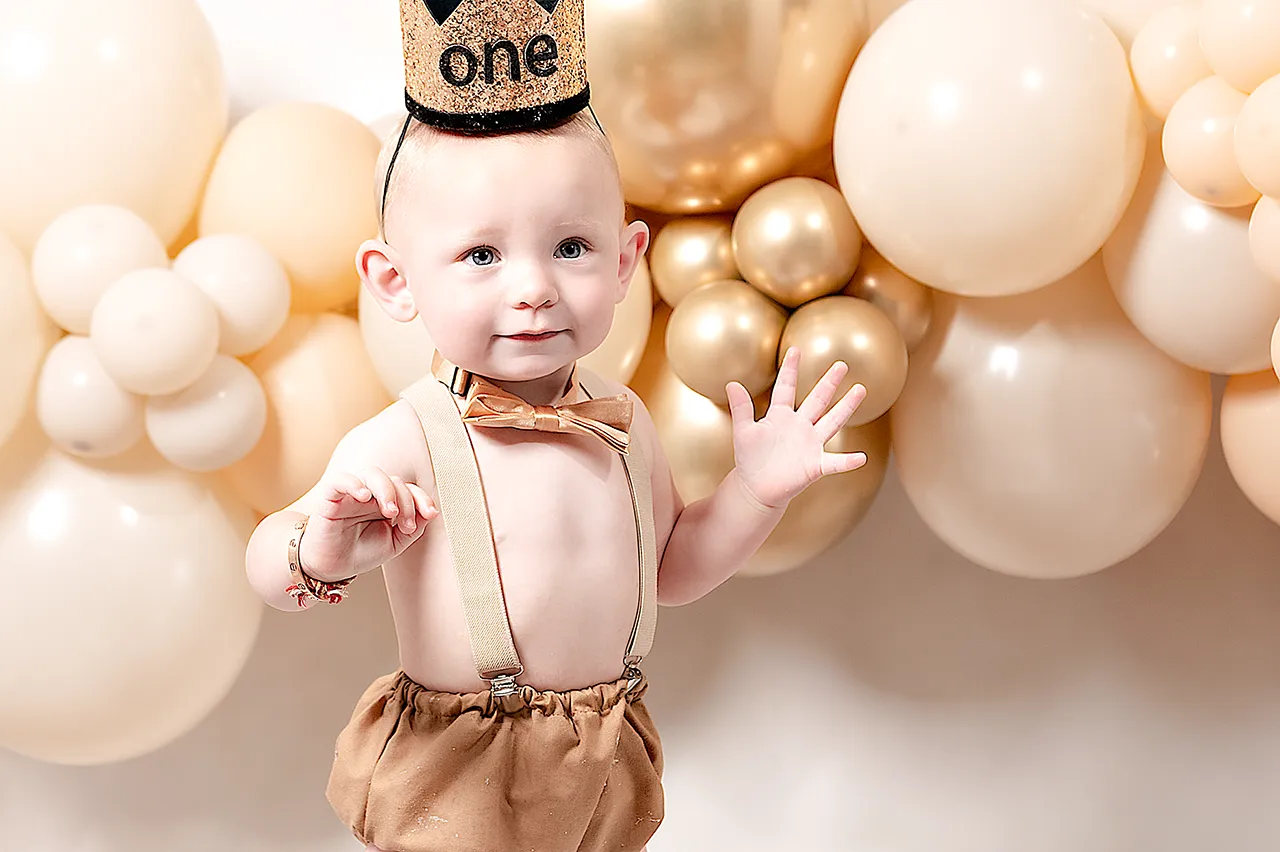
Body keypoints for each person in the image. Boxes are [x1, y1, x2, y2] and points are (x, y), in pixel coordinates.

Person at [244, 2, 869, 850]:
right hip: (460, 763)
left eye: (571, 247)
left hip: (603, 751)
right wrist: (316, 548)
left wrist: (754, 492)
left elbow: (673, 570)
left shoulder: (623, 422)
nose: (534, 288)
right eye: (482, 255)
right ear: (395, 282)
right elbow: (265, 562)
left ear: (625, 261)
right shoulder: (411, 436)